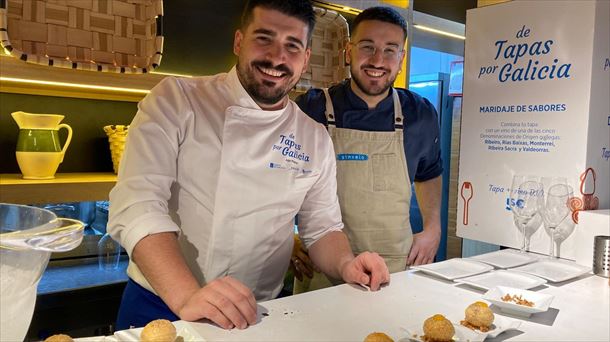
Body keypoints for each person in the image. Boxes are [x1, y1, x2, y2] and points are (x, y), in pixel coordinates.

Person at [107, 0, 390, 331]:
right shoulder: (177, 100)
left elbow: (323, 227)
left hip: (257, 313)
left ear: (305, 58)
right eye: (264, 38)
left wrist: (346, 263)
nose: (277, 57)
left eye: (292, 46)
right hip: (161, 304)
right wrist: (186, 297)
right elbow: (137, 206)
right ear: (239, 42)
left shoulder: (313, 137)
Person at [292, 6, 442, 289]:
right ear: (348, 52)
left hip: (395, 269)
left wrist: (433, 228)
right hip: (323, 273)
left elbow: (429, 172)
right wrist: (288, 236)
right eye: (367, 46)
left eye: (390, 50)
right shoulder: (310, 109)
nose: (377, 60)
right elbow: (279, 179)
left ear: (401, 58)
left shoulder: (420, 115)